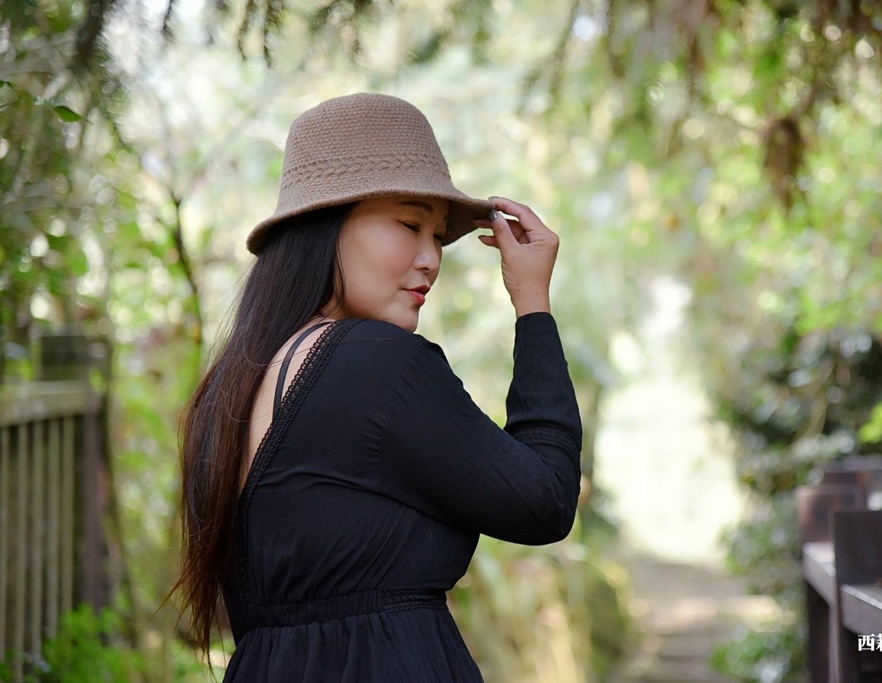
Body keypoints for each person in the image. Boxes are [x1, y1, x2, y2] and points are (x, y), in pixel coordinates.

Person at [173, 93, 582, 681]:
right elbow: (545, 501)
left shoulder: (233, 387)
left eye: (437, 236)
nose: (430, 258)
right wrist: (533, 306)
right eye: (409, 225)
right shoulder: (375, 364)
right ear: (326, 225)